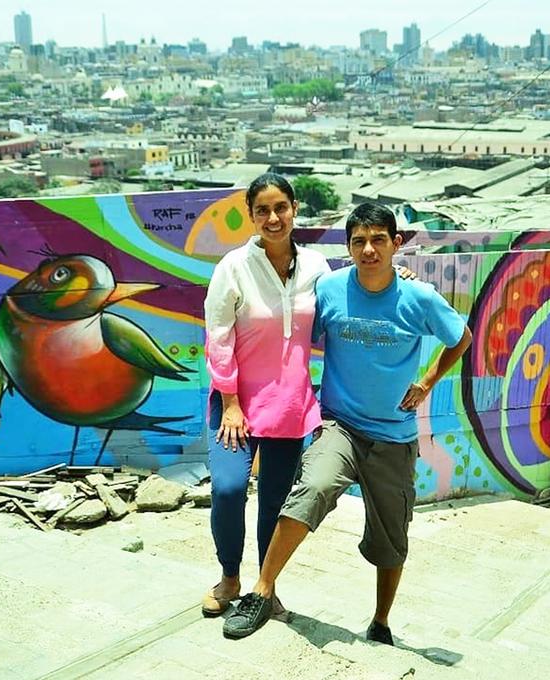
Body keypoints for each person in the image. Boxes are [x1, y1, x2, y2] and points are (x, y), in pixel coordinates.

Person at [222, 202, 472, 644]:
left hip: (394, 436)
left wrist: (428, 381)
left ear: (397, 244)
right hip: (341, 425)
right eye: (359, 241)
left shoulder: (420, 298)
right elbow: (289, 325)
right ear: (348, 247)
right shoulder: (332, 288)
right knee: (312, 488)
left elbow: (461, 338)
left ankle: (381, 622)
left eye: (379, 239)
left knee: (392, 538)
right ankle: (261, 591)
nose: (369, 249)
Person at [202, 173, 328, 617]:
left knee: (276, 499)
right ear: (251, 216)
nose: (273, 218)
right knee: (230, 487)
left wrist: (398, 273)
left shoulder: (316, 267)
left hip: (290, 404)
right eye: (263, 211)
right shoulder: (233, 266)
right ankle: (230, 575)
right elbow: (218, 337)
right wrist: (231, 403)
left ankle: (265, 586)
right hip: (235, 403)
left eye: (281, 208)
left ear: (294, 208)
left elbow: (342, 310)